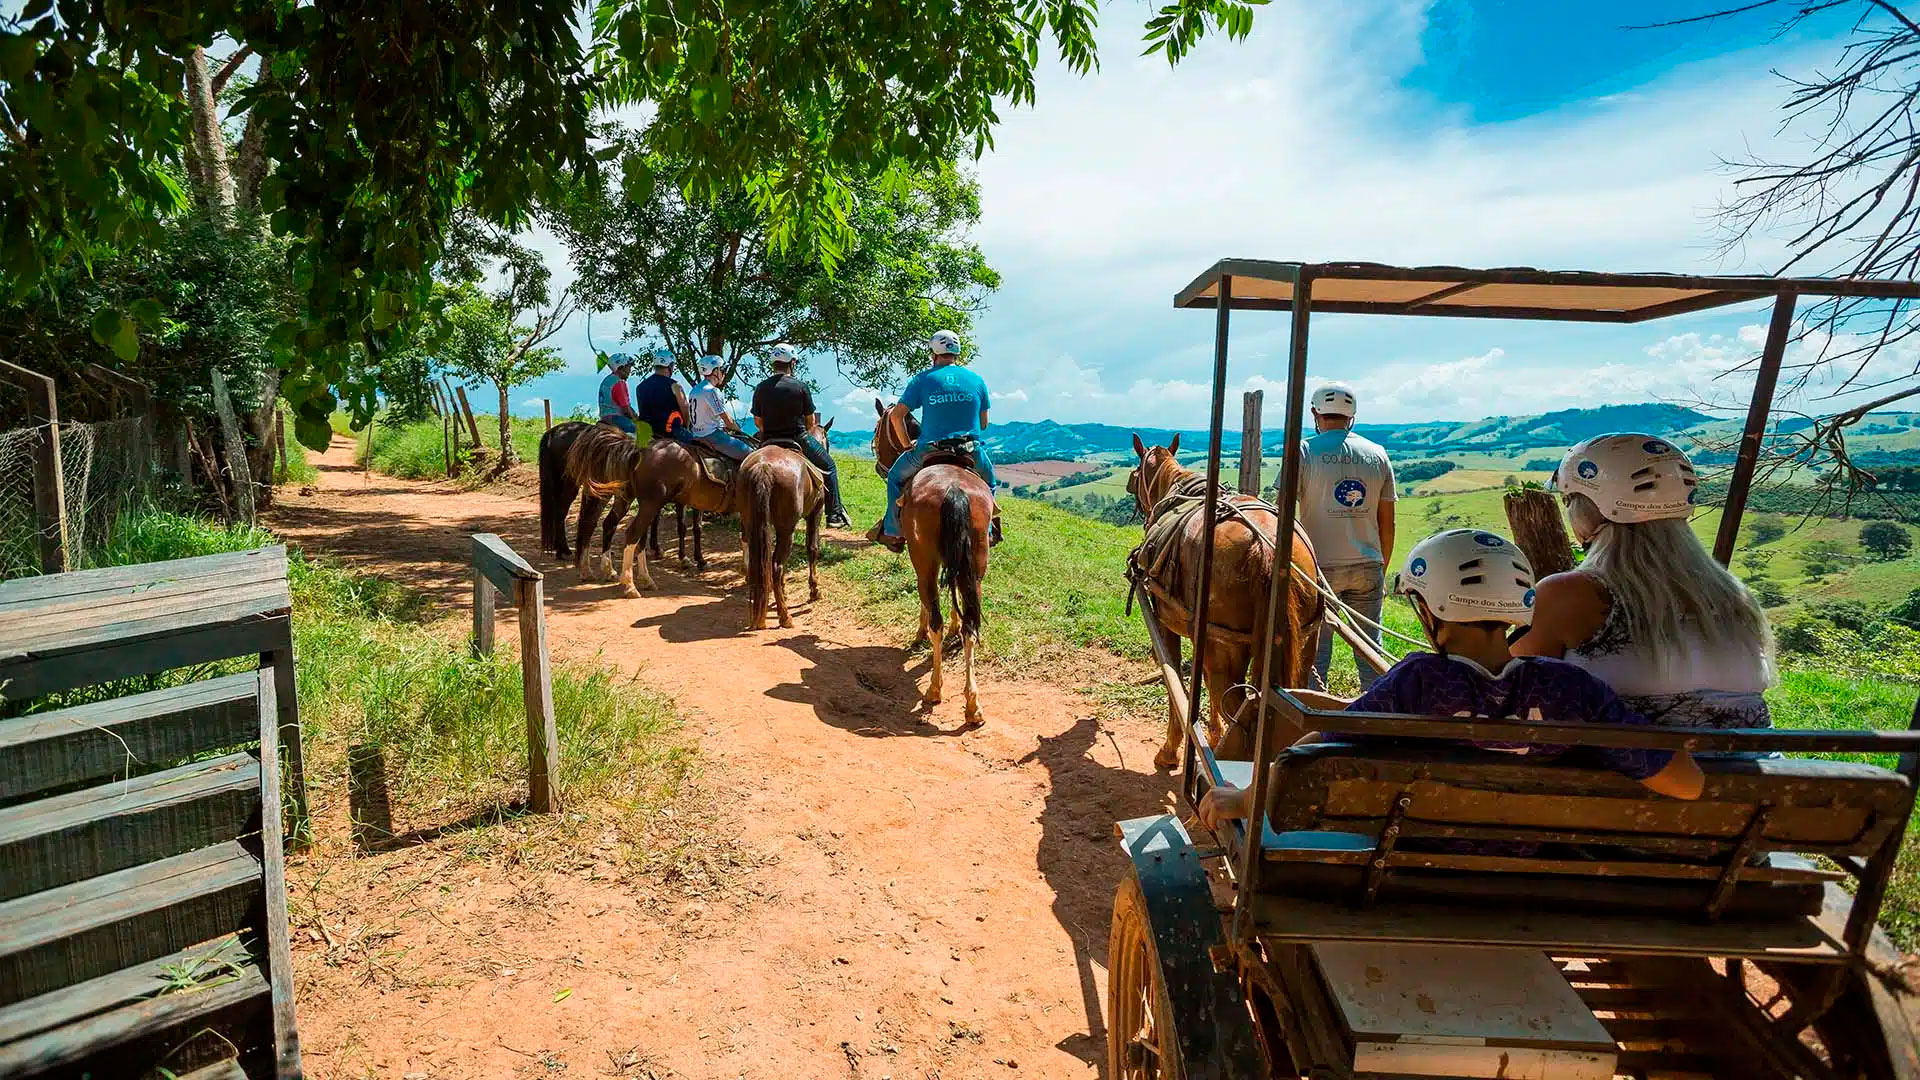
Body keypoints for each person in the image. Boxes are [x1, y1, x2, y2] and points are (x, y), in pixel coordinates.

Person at [1197, 527, 1704, 833]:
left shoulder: (1417, 683)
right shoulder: (1572, 688)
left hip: (1410, 853)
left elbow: (1317, 754)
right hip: (1534, 866)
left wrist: (1244, 799)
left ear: (1427, 610)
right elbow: (1687, 782)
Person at [1513, 434, 1776, 742]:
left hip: (1633, 771)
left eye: (1569, 501)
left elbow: (1509, 692)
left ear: (1587, 510)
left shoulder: (1569, 594)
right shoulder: (1732, 593)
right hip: (1755, 768)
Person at [1289, 382, 1396, 693]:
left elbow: (1284, 515)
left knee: (1316, 652)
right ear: (1353, 416)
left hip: (1318, 568)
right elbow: (1387, 523)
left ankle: (1314, 711)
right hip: (1368, 565)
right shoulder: (1378, 454)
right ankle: (1374, 711)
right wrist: (1382, 567)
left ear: (1315, 413)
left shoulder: (1304, 451)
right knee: (1369, 649)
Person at [867, 330, 1000, 552]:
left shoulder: (922, 379)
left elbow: (896, 416)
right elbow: (983, 424)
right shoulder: (977, 380)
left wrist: (906, 445)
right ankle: (986, 532)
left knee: (895, 478)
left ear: (933, 353)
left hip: (929, 449)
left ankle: (893, 531)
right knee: (991, 483)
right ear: (957, 352)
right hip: (969, 450)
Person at [749, 343, 852, 528]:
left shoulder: (761, 388)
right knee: (829, 466)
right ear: (792, 363)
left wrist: (769, 431)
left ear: (773, 364)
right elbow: (810, 421)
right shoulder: (800, 386)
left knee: (746, 467)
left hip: (768, 439)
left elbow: (758, 421)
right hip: (797, 438)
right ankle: (834, 514)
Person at [685, 355, 754, 464]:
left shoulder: (695, 390)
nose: (724, 373)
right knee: (752, 456)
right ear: (715, 371)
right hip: (712, 435)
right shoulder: (711, 391)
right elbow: (727, 420)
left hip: (696, 435)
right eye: (722, 370)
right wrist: (741, 432)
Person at [634, 347, 691, 442]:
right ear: (670, 366)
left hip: (646, 433)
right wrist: (687, 427)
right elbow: (685, 409)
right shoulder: (675, 385)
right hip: (671, 432)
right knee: (699, 446)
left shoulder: (640, 387)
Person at [596, 353, 639, 434]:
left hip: (604, 418)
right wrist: (636, 419)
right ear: (621, 367)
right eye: (628, 367)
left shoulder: (607, 380)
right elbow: (626, 408)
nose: (629, 371)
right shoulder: (619, 383)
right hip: (617, 418)